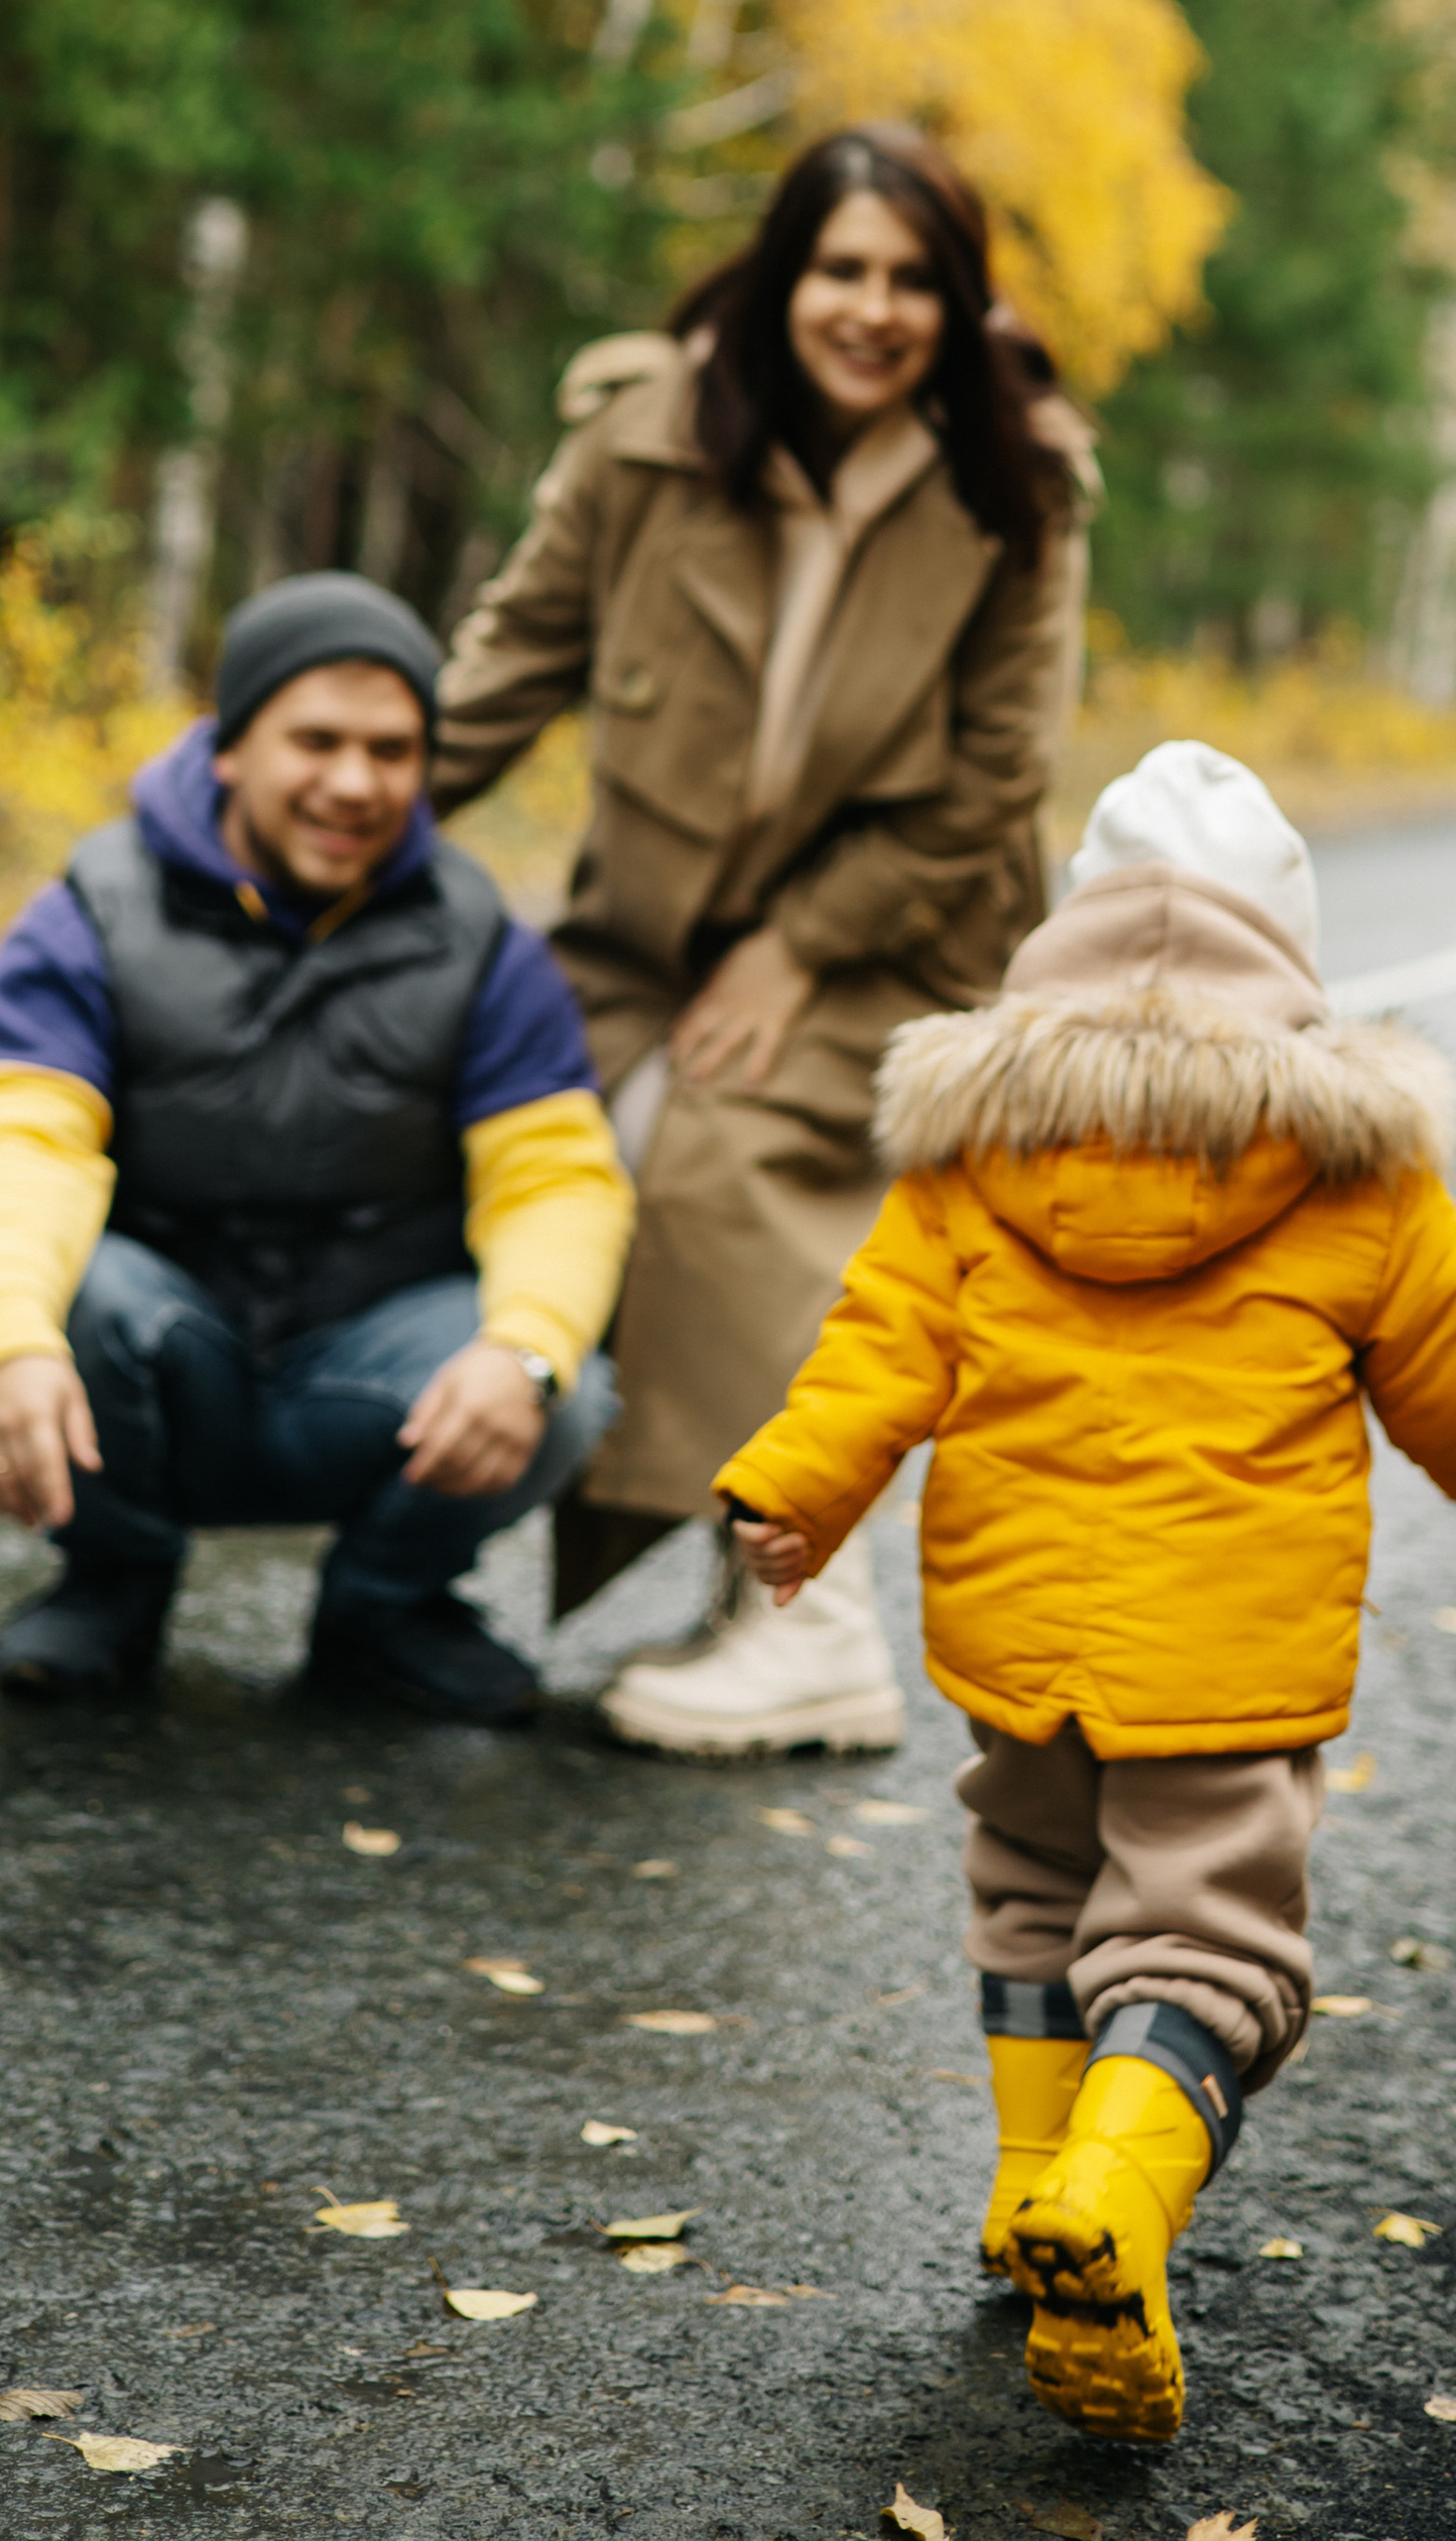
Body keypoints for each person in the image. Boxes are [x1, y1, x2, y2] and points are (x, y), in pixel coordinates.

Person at [715, 740, 1456, 2442]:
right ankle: (1108, 2198)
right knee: (1205, 1945)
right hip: (1226, 1660)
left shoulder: (976, 1149)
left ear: (1062, 944)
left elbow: (876, 1346)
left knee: (1034, 1882)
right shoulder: (1359, 1171)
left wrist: (790, 1492)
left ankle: (1028, 2177)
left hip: (1013, 1636)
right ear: (1292, 964)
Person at [431, 125, 1093, 1757]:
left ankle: (806, 1620)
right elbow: (509, 664)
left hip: (893, 940)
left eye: (913, 282)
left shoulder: (1017, 484)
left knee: (717, 1154)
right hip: (649, 937)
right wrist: (283, 811)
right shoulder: (643, 445)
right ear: (780, 276)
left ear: (960, 304)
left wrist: (801, 945)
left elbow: (997, 776)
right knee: (510, 1141)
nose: (873, 310)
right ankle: (407, 1575)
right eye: (842, 271)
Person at [0, 571, 635, 1720]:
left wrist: (521, 1352)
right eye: (315, 740)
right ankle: (114, 1584)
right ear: (229, 746)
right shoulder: (89, 909)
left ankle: (382, 1611)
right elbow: (26, 1140)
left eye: (392, 749)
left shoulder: (483, 942)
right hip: (166, 1362)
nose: (354, 783)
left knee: (562, 1373)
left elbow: (556, 1180)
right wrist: (8, 1340)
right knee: (69, 1294)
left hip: (370, 1379)